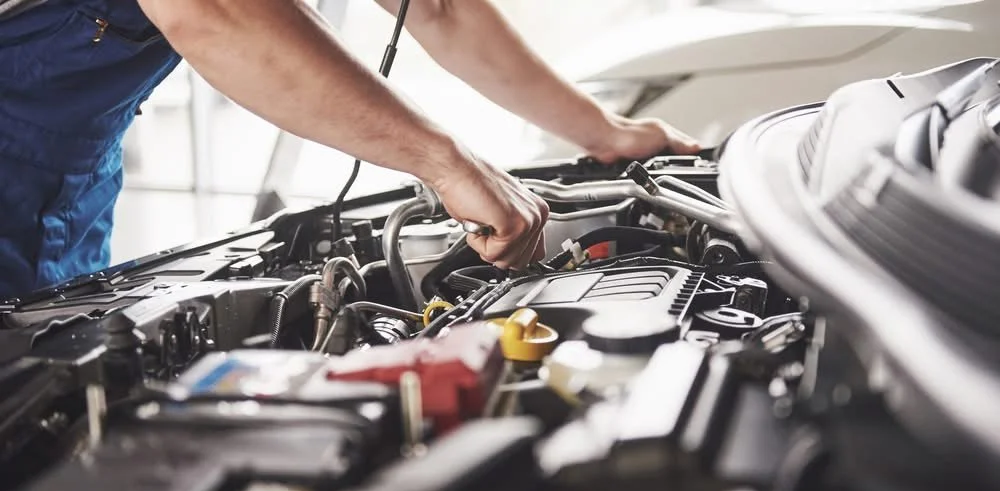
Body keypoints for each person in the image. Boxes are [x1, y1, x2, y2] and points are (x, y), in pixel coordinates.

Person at [0, 0, 699, 299]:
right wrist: (444, 162)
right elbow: (213, 14)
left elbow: (436, 7)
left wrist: (603, 133)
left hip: (68, 179)